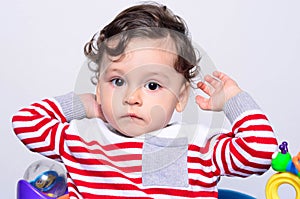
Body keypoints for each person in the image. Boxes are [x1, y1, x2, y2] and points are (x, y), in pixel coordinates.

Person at [12, 2, 278, 198]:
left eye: (152, 85)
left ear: (180, 98)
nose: (131, 98)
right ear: (99, 87)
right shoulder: (83, 138)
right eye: (117, 81)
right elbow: (26, 123)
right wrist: (83, 104)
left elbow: (259, 153)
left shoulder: (197, 147)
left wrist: (234, 99)